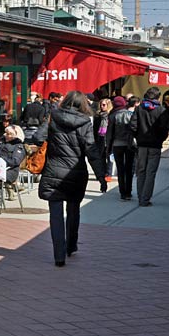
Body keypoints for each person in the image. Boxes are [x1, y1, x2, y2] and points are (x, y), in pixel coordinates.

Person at [37, 91, 107, 267]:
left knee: (55, 215)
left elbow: (38, 137)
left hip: (53, 169)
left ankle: (59, 255)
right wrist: (101, 177)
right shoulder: (85, 123)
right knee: (74, 209)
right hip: (76, 172)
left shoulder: (53, 117)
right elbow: (91, 151)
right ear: (83, 104)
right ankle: (71, 245)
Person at [130, 87, 169, 207]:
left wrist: (138, 137)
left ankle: (141, 195)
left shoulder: (139, 108)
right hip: (155, 145)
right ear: (158, 97)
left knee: (141, 171)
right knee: (150, 172)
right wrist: (160, 139)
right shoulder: (161, 110)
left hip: (142, 144)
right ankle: (145, 198)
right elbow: (164, 128)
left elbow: (132, 126)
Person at [106, 96, 136, 201]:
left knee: (120, 168)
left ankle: (122, 192)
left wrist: (108, 147)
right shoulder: (130, 114)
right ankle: (129, 191)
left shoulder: (112, 115)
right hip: (129, 144)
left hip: (117, 144)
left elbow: (109, 134)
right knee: (129, 168)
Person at [0, 125, 27, 200]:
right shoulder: (3, 143)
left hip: (10, 171)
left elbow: (15, 161)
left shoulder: (18, 146)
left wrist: (1, 158)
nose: (6, 135)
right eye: (5, 133)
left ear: (15, 135)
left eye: (8, 134)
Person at [93, 97, 114, 181]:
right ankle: (102, 173)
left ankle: (108, 174)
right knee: (101, 157)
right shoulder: (97, 115)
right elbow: (94, 128)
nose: (102, 106)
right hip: (100, 138)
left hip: (109, 139)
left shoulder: (111, 115)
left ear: (108, 105)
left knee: (109, 157)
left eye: (104, 105)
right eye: (101, 105)